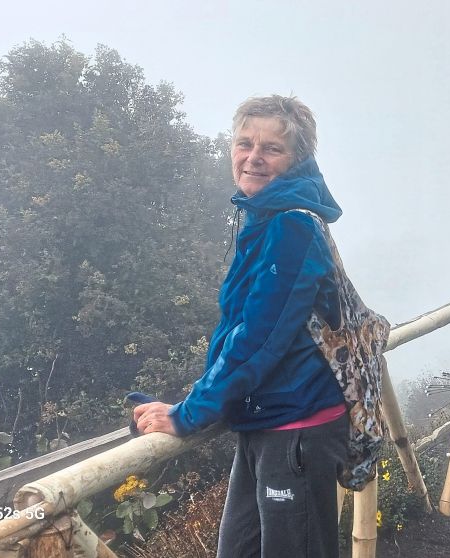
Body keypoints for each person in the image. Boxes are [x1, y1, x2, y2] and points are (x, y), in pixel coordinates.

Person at [133, 95, 349, 557]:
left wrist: (187, 416)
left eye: (272, 148)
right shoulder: (262, 219)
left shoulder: (292, 228)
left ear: (297, 160)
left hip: (297, 425)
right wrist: (192, 401)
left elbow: (257, 341)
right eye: (244, 143)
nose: (254, 157)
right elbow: (236, 329)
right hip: (264, 418)